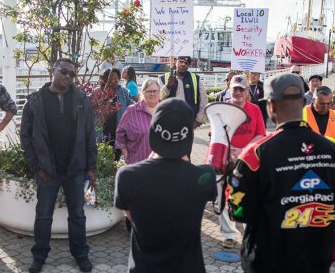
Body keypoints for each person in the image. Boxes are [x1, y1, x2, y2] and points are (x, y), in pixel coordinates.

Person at [228, 73, 335, 272]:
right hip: (317, 259)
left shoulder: (256, 155)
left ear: (271, 106)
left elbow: (238, 211)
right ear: (304, 102)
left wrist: (230, 179)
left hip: (268, 261)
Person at [114, 98, 217, 272]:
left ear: (153, 132)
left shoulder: (127, 177)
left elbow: (130, 215)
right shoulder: (205, 176)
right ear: (189, 135)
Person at [20, 59, 95, 273]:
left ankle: (81, 254)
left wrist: (91, 167)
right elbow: (25, 135)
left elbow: (90, 135)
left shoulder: (81, 99)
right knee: (43, 215)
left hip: (76, 169)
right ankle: (39, 255)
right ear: (53, 70)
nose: (68, 77)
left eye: (72, 75)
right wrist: (36, 165)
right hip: (47, 171)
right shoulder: (35, 100)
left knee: (78, 215)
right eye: (64, 72)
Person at [218, 75, 266, 249]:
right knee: (223, 197)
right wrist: (230, 151)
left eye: (241, 89)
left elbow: (260, 134)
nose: (238, 92)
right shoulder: (222, 109)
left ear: (247, 91)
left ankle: (249, 232)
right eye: (234, 89)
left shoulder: (254, 109)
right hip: (226, 159)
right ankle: (229, 234)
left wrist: (243, 151)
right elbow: (216, 134)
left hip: (247, 160)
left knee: (248, 195)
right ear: (229, 90)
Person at [116, 79, 160, 165]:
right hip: (138, 164)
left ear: (159, 92)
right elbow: (119, 134)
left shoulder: (166, 110)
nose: (152, 94)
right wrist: (126, 155)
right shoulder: (132, 111)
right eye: (149, 91)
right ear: (142, 92)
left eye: (155, 91)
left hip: (162, 166)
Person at [159, 56, 207, 129]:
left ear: (188, 65)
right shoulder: (163, 78)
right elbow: (158, 98)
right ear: (175, 62)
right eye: (181, 62)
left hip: (188, 121)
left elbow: (204, 100)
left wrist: (197, 121)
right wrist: (167, 86)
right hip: (169, 121)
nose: (183, 64)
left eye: (186, 63)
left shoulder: (196, 79)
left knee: (187, 140)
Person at [96, 68, 133, 147]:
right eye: (113, 79)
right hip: (101, 132)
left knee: (116, 156)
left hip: (118, 132)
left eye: (117, 78)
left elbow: (133, 106)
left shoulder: (123, 92)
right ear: (106, 80)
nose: (116, 80)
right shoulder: (97, 93)